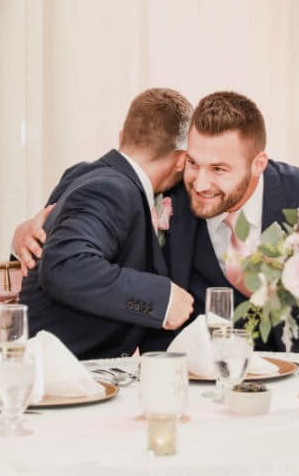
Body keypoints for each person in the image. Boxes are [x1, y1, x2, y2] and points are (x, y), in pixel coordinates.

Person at [14, 91, 299, 352]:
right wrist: (27, 232)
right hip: (197, 387)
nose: (200, 184)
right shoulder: (165, 190)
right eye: (193, 163)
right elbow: (88, 200)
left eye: (219, 169)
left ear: (258, 163)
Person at [17, 88, 195, 359]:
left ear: (122, 136)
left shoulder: (84, 174)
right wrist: (161, 299)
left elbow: (45, 246)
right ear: (182, 159)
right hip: (59, 372)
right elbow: (65, 265)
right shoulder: (112, 189)